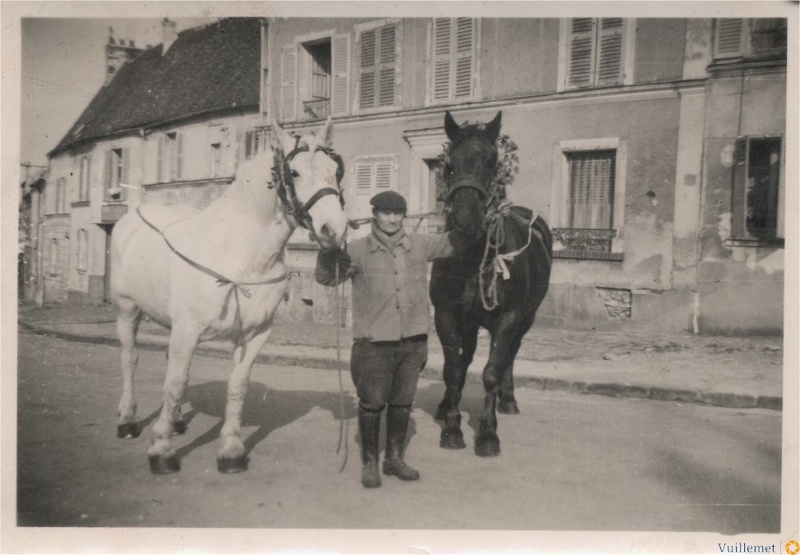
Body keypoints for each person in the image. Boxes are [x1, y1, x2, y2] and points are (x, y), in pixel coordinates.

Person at [316, 190, 471, 488]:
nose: (391, 219)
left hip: (413, 341)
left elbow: (455, 242)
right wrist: (326, 250)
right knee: (373, 403)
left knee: (402, 402)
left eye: (397, 213)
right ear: (375, 214)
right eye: (385, 213)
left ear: (403, 216)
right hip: (374, 343)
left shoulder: (419, 245)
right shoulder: (358, 250)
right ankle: (371, 463)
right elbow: (327, 278)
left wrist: (475, 215)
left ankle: (394, 459)